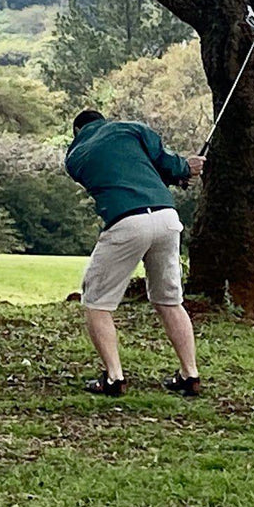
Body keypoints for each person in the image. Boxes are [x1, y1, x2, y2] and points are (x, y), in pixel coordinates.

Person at [65, 109, 205, 397]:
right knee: (169, 300)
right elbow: (162, 163)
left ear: (78, 131)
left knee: (96, 302)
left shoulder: (75, 157)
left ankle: (114, 378)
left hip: (125, 221)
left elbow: (115, 174)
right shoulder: (130, 128)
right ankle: (190, 374)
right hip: (166, 218)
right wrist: (184, 169)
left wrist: (177, 173)